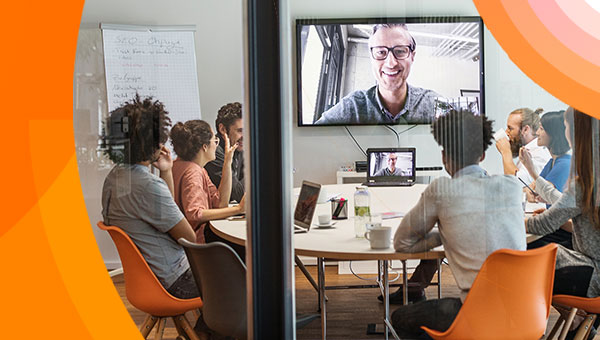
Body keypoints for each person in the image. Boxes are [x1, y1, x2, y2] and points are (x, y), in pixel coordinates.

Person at [390, 109, 526, 338]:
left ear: (444, 157)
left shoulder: (442, 190)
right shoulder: (512, 186)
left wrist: (443, 235)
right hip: (526, 312)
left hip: (477, 313)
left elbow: (401, 243)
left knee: (400, 318)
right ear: (482, 156)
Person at [100, 95, 210, 338]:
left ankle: (203, 332)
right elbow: (188, 237)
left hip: (145, 281)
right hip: (173, 283)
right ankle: (207, 333)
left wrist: (167, 171)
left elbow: (162, 211)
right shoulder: (147, 185)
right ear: (153, 142)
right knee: (238, 278)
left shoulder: (115, 178)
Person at [526, 108, 600, 340]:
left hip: (593, 277)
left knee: (523, 264)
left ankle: (527, 332)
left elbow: (542, 225)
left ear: (576, 133)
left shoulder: (586, 181)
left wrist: (519, 221)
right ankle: (576, 323)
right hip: (594, 270)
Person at [314, 23, 441, 125]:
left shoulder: (433, 103)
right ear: (371, 57)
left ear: (412, 57)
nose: (391, 63)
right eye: (381, 52)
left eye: (400, 51)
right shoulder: (352, 108)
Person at [170, 120, 245, 244]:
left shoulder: (185, 166)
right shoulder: (193, 172)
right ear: (204, 146)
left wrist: (227, 163)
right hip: (196, 248)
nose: (217, 144)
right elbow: (195, 215)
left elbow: (220, 204)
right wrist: (238, 209)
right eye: (215, 140)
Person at [519, 110, 572, 249]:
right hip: (557, 225)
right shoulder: (552, 162)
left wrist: (531, 171)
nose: (537, 133)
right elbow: (534, 191)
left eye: (541, 129)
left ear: (554, 133)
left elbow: (545, 192)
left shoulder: (565, 164)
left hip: (563, 234)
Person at [495, 107, 551, 185]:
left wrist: (506, 152)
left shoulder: (539, 154)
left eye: (510, 129)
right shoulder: (527, 150)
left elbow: (514, 184)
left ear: (525, 130)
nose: (506, 133)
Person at [205, 102, 245, 202]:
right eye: (240, 131)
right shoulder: (214, 152)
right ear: (222, 129)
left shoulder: (239, 147)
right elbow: (239, 194)